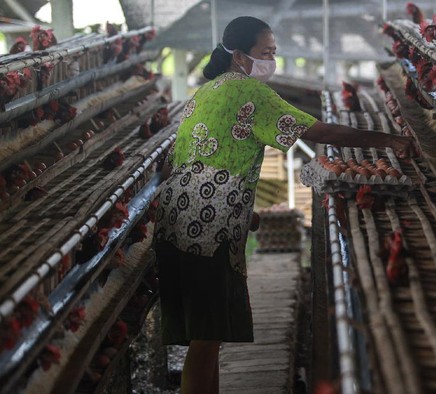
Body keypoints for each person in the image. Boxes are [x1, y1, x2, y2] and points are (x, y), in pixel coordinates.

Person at [153, 16, 415, 394]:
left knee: (206, 335)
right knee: (206, 339)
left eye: (274, 52)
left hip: (182, 216)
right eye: (266, 52)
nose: (272, 59)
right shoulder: (249, 91)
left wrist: (246, 211)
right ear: (241, 56)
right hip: (206, 227)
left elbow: (191, 160)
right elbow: (317, 131)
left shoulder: (210, 89)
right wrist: (388, 141)